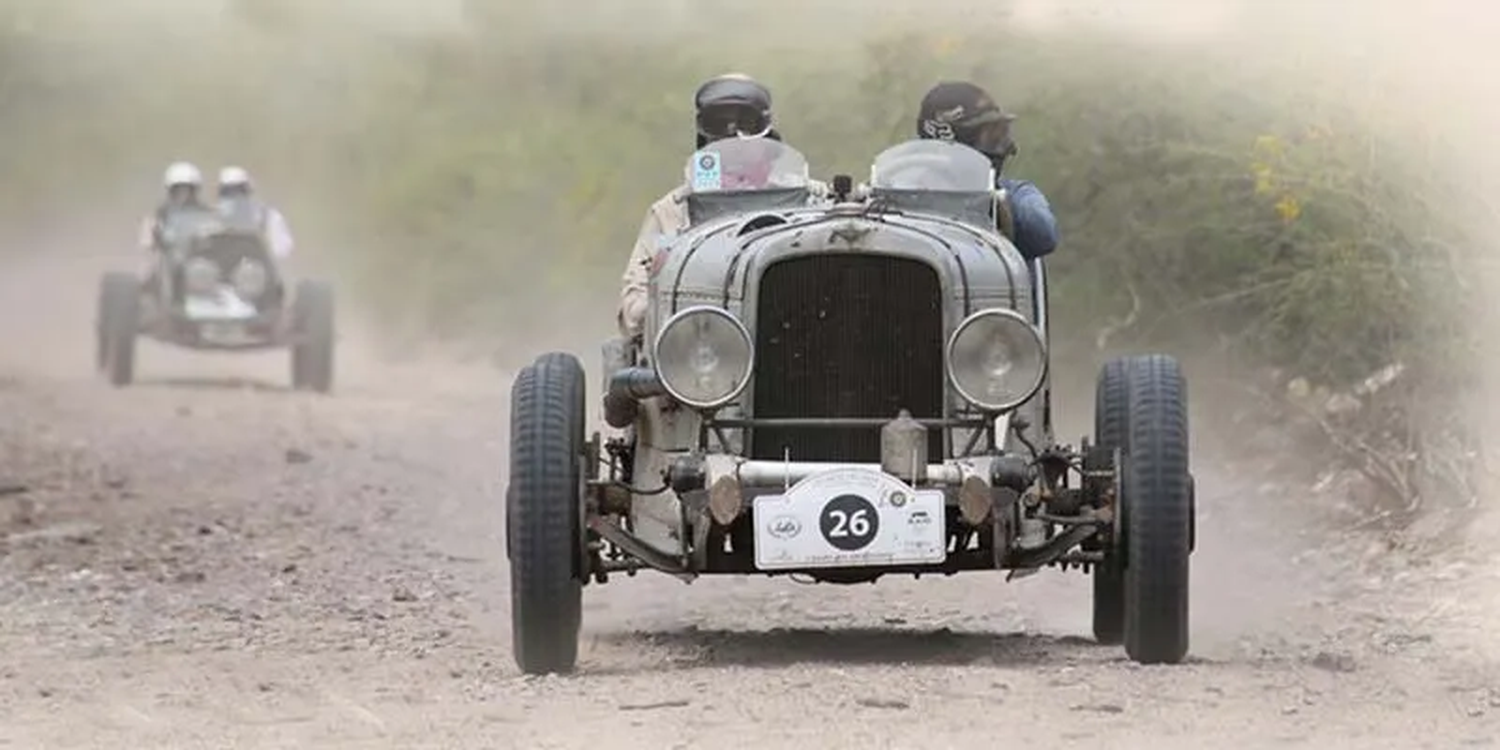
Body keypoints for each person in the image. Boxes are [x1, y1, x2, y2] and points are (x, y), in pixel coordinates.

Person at [616, 73, 778, 340]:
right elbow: (632, 313)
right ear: (705, 141)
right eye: (720, 123)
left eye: (746, 122)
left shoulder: (809, 200)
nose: (733, 133)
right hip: (701, 348)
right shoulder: (672, 212)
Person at [915, 81, 1059, 260]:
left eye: (1000, 135)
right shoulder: (901, 194)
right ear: (957, 144)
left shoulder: (1016, 195)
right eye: (991, 137)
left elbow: (1042, 233)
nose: (1004, 148)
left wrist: (995, 207)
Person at [214, 166, 296, 260]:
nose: (234, 196)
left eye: (239, 190)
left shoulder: (268, 218)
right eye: (227, 191)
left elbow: (283, 252)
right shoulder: (214, 219)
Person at [136, 161, 208, 254]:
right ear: (170, 192)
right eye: (178, 190)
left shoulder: (205, 214)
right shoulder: (160, 216)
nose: (184, 195)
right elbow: (146, 245)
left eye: (188, 190)